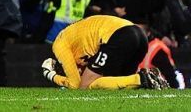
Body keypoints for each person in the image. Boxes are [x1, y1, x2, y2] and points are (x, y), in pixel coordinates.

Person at [41, 15, 169, 90]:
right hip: (139, 35)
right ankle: (150, 80)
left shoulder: (59, 45)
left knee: (87, 85)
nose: (78, 71)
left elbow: (76, 84)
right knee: (118, 84)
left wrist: (52, 76)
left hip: (121, 36)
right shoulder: (75, 44)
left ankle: (143, 79)